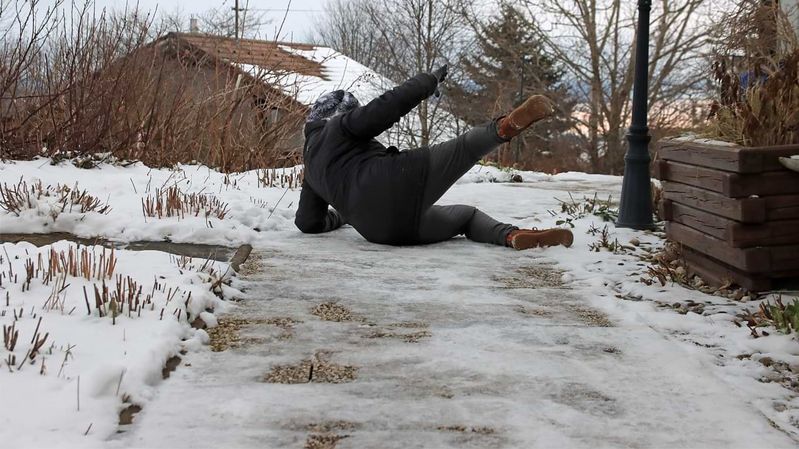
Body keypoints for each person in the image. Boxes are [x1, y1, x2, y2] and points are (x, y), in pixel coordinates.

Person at [295, 65, 574, 250]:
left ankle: (512, 236)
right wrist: (427, 82)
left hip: (380, 230)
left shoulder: (312, 167)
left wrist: (343, 216)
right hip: (398, 178)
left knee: (466, 216)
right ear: (340, 113)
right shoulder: (339, 126)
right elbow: (387, 106)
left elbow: (307, 223)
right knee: (466, 147)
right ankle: (504, 127)